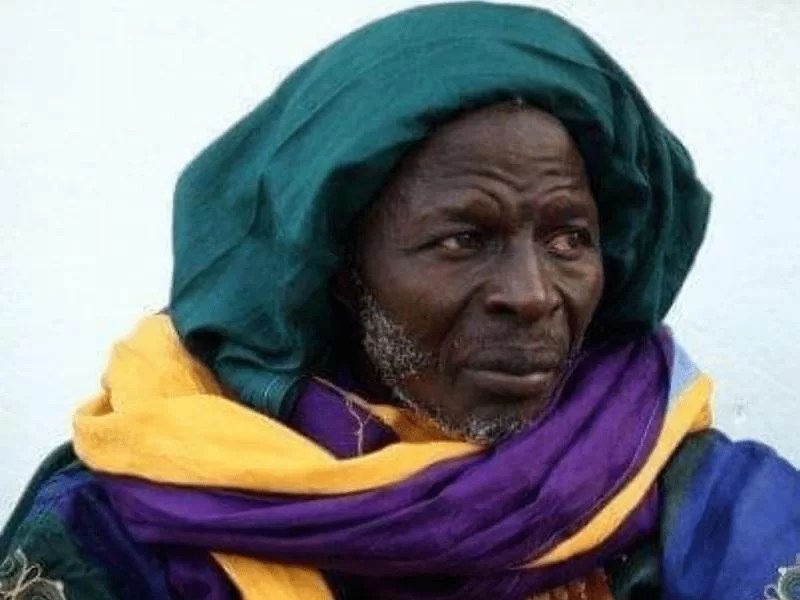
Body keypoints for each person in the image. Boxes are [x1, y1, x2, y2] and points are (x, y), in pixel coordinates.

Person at [2, 3, 799, 599]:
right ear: (340, 270)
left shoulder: (706, 505)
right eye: (463, 239)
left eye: (568, 239)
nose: (531, 296)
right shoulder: (128, 522)